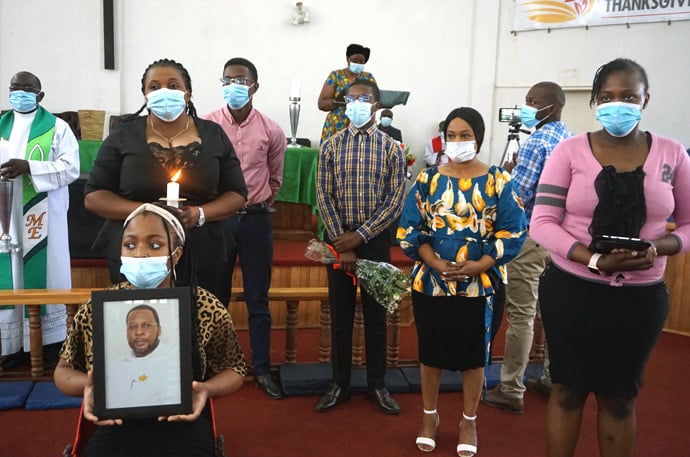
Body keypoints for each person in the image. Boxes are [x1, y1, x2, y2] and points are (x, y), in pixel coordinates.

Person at [530, 58, 690, 457]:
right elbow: (542, 222)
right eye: (607, 97)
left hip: (639, 298)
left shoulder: (674, 155)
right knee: (566, 391)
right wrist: (594, 260)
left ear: (645, 99)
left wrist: (657, 249)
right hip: (573, 290)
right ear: (596, 102)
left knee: (620, 398)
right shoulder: (569, 152)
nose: (617, 105)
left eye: (628, 97)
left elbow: (688, 225)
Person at [54, 203, 247, 457]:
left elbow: (235, 369)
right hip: (116, 421)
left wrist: (207, 390)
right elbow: (63, 371)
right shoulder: (98, 309)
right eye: (130, 245)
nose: (140, 254)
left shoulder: (204, 306)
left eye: (155, 245)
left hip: (182, 420)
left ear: (176, 254)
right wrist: (88, 386)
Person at [397, 107, 527, 456]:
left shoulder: (499, 180)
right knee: (431, 353)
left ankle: (468, 419)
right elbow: (410, 230)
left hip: (480, 285)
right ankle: (429, 417)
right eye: (451, 135)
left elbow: (513, 232)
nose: (457, 142)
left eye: (464, 135)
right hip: (432, 282)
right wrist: (435, 261)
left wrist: (478, 265)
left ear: (479, 139)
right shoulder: (428, 179)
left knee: (474, 357)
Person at [84, 58, 247, 307]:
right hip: (137, 253)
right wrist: (147, 211)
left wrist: (200, 213)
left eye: (173, 85)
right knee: (140, 327)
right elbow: (94, 196)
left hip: (204, 251)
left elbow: (236, 192)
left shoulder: (213, 134)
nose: (164, 92)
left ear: (187, 94)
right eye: (155, 86)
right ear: (145, 94)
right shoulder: (123, 134)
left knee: (202, 324)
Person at [482, 81, 574, 414]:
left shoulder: (537, 143)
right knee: (555, 312)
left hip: (534, 235)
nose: (526, 108)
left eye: (532, 102)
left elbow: (518, 195)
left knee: (522, 313)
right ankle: (552, 378)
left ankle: (511, 388)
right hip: (566, 239)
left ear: (553, 105)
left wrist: (505, 177)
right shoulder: (574, 141)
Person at [315, 79, 405, 415]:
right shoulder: (331, 146)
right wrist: (343, 242)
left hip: (374, 241)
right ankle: (339, 383)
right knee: (340, 316)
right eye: (350, 99)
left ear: (377, 104)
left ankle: (377, 386)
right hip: (338, 242)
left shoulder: (392, 148)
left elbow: (394, 200)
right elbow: (323, 195)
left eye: (363, 98)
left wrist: (362, 236)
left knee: (375, 316)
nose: (356, 104)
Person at [203, 57, 286, 400]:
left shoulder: (271, 129)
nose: (233, 86)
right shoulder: (207, 125)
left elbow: (275, 177)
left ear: (254, 85)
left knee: (257, 298)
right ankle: (216, 366)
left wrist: (256, 203)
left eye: (241, 80)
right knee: (214, 297)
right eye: (228, 80)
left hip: (255, 220)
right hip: (219, 222)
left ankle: (262, 368)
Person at [0, 71, 80, 365]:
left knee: (47, 273)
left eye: (27, 88)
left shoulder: (57, 128)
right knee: (9, 273)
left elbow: (71, 168)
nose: (20, 93)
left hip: (44, 218)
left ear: (40, 95)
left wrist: (30, 167)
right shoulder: (0, 126)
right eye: (15, 88)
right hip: (4, 217)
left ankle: (49, 344)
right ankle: (10, 346)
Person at [107, 304, 179, 409]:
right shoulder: (115, 366)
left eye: (146, 325)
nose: (139, 332)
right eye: (132, 327)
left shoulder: (175, 361)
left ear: (159, 330)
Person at [317, 43, 376, 144]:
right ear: (348, 59)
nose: (358, 63)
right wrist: (338, 101)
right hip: (337, 125)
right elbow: (322, 104)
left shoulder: (368, 77)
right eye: (355, 60)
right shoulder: (335, 76)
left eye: (361, 62)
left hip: (361, 125)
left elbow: (374, 102)